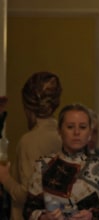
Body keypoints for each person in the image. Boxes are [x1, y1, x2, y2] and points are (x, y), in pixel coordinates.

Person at [23, 103, 99, 220]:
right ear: (59, 130)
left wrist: (93, 216)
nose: (76, 132)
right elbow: (29, 210)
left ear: (90, 132)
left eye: (83, 127)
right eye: (70, 127)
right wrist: (44, 217)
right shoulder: (44, 165)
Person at [0, 72, 62, 220]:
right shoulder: (62, 134)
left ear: (27, 105)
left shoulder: (29, 141)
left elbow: (28, 194)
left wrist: (5, 177)